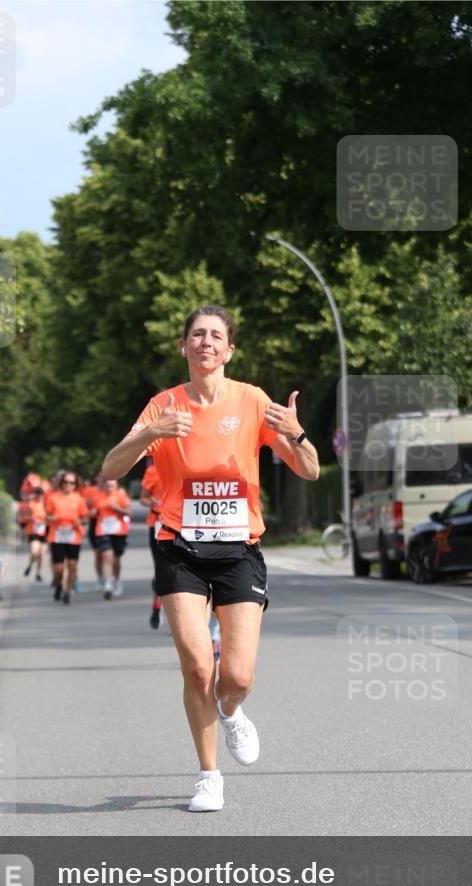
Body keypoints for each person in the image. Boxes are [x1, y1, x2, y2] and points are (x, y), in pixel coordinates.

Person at [101, 304, 319, 812]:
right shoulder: (163, 405)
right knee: (198, 666)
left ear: (229, 350)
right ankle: (209, 776)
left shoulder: (252, 400)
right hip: (180, 548)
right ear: (183, 346)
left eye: (216, 336)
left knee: (236, 677)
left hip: (240, 551)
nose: (206, 342)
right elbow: (111, 468)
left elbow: (308, 470)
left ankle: (231, 710)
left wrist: (296, 431)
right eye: (197, 334)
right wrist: (150, 433)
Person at [45, 471, 88, 605]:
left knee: (72, 565)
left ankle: (67, 591)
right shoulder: (53, 498)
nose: (68, 485)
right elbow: (47, 515)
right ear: (61, 483)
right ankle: (59, 585)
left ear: (75, 485)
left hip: (73, 535)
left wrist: (80, 521)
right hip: (57, 535)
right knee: (59, 569)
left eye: (71, 483)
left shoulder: (79, 499)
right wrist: (51, 518)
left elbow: (85, 517)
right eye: (65, 482)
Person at [94, 479, 132, 599]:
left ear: (116, 486)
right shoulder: (99, 497)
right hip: (103, 530)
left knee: (116, 559)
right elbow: (94, 512)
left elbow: (129, 513)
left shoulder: (121, 496)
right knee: (107, 556)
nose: (109, 488)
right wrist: (93, 512)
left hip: (119, 532)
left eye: (112, 486)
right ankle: (107, 585)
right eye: (107, 485)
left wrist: (118, 509)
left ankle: (116, 579)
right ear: (104, 486)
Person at [139, 460, 163, 628]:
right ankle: (156, 607)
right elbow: (143, 498)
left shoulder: (190, 465)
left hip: (185, 525)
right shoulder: (153, 471)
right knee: (162, 569)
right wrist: (153, 503)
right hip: (158, 524)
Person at [82, 472, 106, 589]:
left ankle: (110, 577)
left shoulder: (111, 489)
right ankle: (100, 578)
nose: (103, 479)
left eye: (105, 476)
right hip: (95, 523)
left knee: (109, 554)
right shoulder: (89, 491)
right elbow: (82, 507)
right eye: (101, 476)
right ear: (96, 478)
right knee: (98, 554)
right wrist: (90, 509)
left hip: (107, 523)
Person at [23, 487, 48, 581]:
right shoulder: (31, 504)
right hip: (33, 531)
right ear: (35, 494)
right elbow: (24, 517)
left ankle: (38, 573)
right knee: (34, 552)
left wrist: (46, 520)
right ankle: (30, 565)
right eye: (38, 494)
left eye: (41, 494)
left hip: (44, 532)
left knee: (42, 554)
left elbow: (51, 515)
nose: (40, 496)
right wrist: (33, 518)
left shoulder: (46, 504)